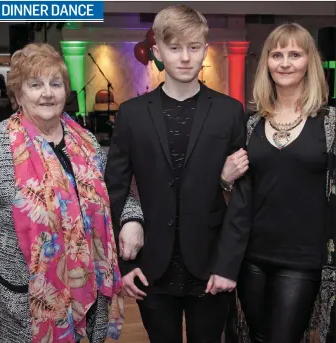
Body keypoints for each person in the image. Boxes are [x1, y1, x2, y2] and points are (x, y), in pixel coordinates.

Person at [105, 5, 250, 343]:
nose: (185, 57)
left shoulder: (230, 112)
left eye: (194, 47)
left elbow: (243, 198)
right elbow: (114, 190)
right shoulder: (131, 114)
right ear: (157, 52)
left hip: (211, 266)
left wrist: (228, 265)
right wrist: (124, 266)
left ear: (205, 49)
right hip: (151, 266)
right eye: (174, 48)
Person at [0, 43, 141, 343]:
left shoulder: (85, 140)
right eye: (35, 84)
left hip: (88, 288)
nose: (47, 93)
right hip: (26, 299)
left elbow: (115, 190)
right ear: (18, 95)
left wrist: (132, 220)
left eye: (55, 83)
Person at [217, 23, 335, 343]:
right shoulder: (250, 124)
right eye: (277, 54)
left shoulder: (329, 123)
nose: (284, 62)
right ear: (266, 62)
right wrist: (225, 179)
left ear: (309, 61)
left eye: (294, 54)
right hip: (252, 256)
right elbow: (237, 198)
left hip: (302, 258)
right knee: (256, 337)